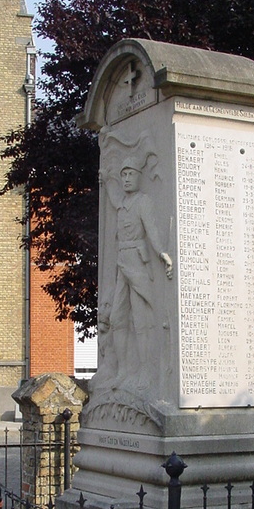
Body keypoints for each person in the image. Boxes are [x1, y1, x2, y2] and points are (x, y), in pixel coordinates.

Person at [104, 156, 172, 393]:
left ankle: (145, 371)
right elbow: (113, 196)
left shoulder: (143, 201)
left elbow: (151, 229)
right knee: (117, 319)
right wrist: (107, 177)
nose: (126, 178)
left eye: (131, 174)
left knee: (141, 320)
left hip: (138, 265)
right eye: (123, 174)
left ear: (139, 177)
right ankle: (123, 371)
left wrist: (162, 253)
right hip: (122, 265)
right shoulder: (122, 202)